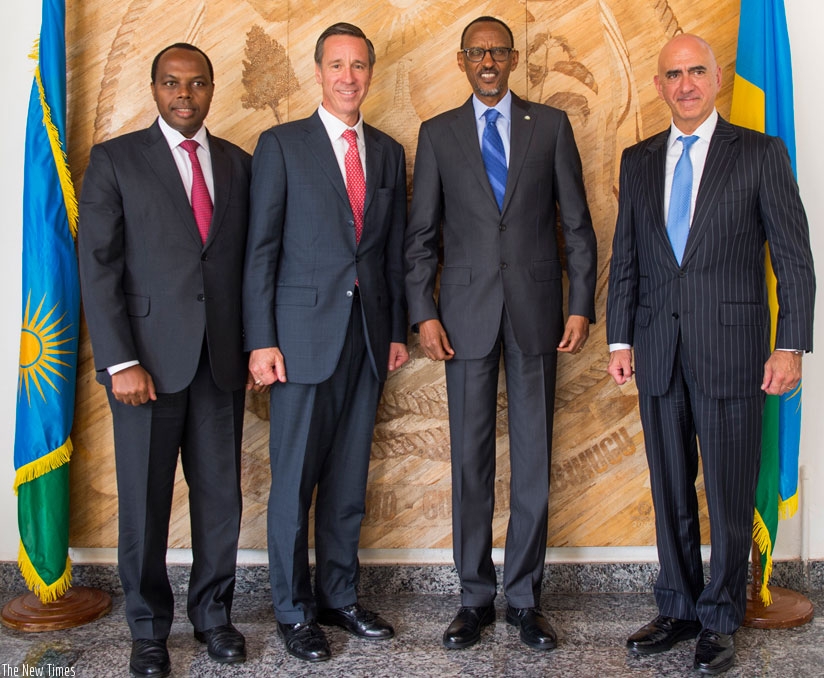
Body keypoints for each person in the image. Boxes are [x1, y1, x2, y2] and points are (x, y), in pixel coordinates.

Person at [606, 34, 815, 675]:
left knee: (726, 492)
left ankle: (721, 617)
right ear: (660, 84)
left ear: (717, 78)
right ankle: (678, 606)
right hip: (657, 350)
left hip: (735, 352)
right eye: (674, 74)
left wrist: (791, 345)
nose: (686, 84)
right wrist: (620, 338)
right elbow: (628, 259)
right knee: (669, 485)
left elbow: (793, 257)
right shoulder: (637, 160)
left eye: (697, 71)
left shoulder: (758, 153)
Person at [405, 16, 597, 651]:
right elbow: (421, 238)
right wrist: (424, 313)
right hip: (462, 320)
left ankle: (523, 598)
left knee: (534, 460)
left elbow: (577, 224)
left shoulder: (551, 126)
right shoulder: (436, 134)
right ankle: (473, 597)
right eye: (476, 52)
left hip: (540, 313)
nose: (488, 60)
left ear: (514, 58)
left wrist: (580, 305)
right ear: (461, 61)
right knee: (470, 460)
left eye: (498, 51)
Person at [78, 44, 257, 677]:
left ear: (213, 89)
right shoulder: (116, 160)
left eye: (197, 83)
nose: (185, 94)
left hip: (219, 366)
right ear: (155, 88)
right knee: (145, 503)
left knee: (220, 501)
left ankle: (214, 617)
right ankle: (149, 630)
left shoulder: (239, 164)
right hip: (144, 371)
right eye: (172, 83)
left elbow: (247, 268)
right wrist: (120, 361)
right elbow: (97, 269)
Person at [242, 22, 408, 663]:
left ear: (371, 72)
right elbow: (260, 252)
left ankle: (339, 597)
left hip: (366, 342)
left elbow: (390, 254)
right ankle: (293, 610)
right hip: (299, 341)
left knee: (346, 482)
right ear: (318, 72)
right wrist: (262, 340)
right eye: (336, 64)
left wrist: (394, 330)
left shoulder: (388, 152)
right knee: (294, 484)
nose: (348, 76)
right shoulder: (281, 145)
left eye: (358, 65)